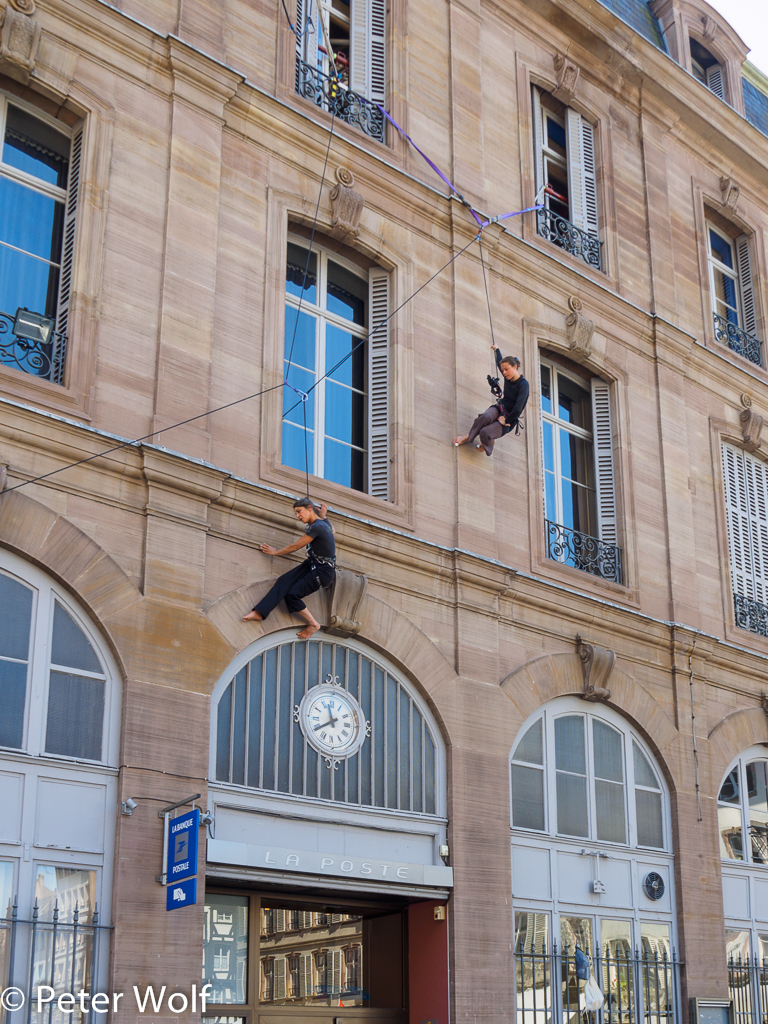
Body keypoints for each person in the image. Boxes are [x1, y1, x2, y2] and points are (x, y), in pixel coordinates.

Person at [243, 497, 336, 639]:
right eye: (296, 513)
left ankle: (313, 624)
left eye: (299, 511)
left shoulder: (317, 527)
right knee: (284, 581)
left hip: (322, 571)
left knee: (292, 595)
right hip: (313, 564)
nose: (298, 516)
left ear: (309, 508)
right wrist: (323, 516)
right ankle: (259, 612)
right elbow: (332, 531)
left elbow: (295, 546)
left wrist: (275, 552)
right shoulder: (323, 523)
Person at [454, 343, 529, 456]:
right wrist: (497, 349)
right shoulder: (508, 376)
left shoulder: (523, 385)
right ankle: (468, 437)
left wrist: (507, 420)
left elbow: (518, 408)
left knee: (485, 432)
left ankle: (488, 443)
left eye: (506, 369)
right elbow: (499, 362)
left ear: (514, 367)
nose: (504, 373)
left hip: (509, 418)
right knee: (484, 417)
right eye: (503, 370)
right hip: (500, 407)